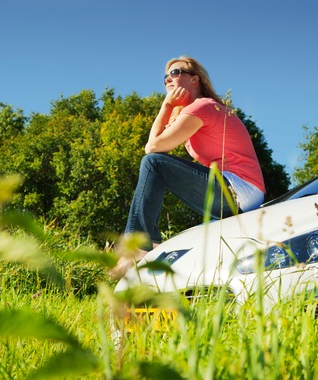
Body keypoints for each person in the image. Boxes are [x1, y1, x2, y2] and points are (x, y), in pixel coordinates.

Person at [111, 55, 266, 278]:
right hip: (234, 192)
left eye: (175, 73)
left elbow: (152, 149)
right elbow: (155, 146)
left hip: (238, 189)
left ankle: (138, 246)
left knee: (153, 164)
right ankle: (150, 246)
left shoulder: (203, 106)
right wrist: (169, 107)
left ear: (195, 79)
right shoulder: (194, 111)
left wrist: (166, 105)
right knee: (155, 165)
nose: (168, 79)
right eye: (165, 77)